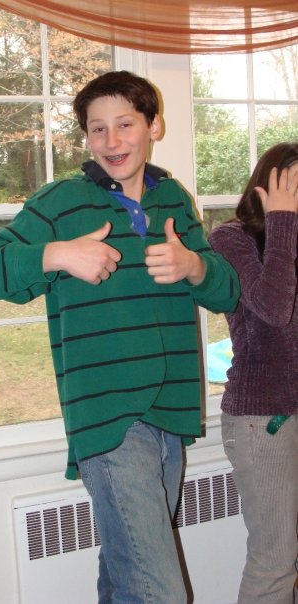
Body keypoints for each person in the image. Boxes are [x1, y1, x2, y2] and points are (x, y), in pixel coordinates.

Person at [0, 70, 240, 603]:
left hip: (172, 412)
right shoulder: (62, 202)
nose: (112, 141)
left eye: (125, 124)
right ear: (86, 137)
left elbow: (227, 293)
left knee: (126, 576)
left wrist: (194, 266)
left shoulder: (174, 199)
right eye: (97, 129)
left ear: (153, 126)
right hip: (109, 421)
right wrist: (56, 254)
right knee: (158, 591)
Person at [208, 142, 298, 604]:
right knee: (275, 562)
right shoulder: (231, 238)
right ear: (267, 186)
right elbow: (273, 309)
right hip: (265, 420)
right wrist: (283, 223)